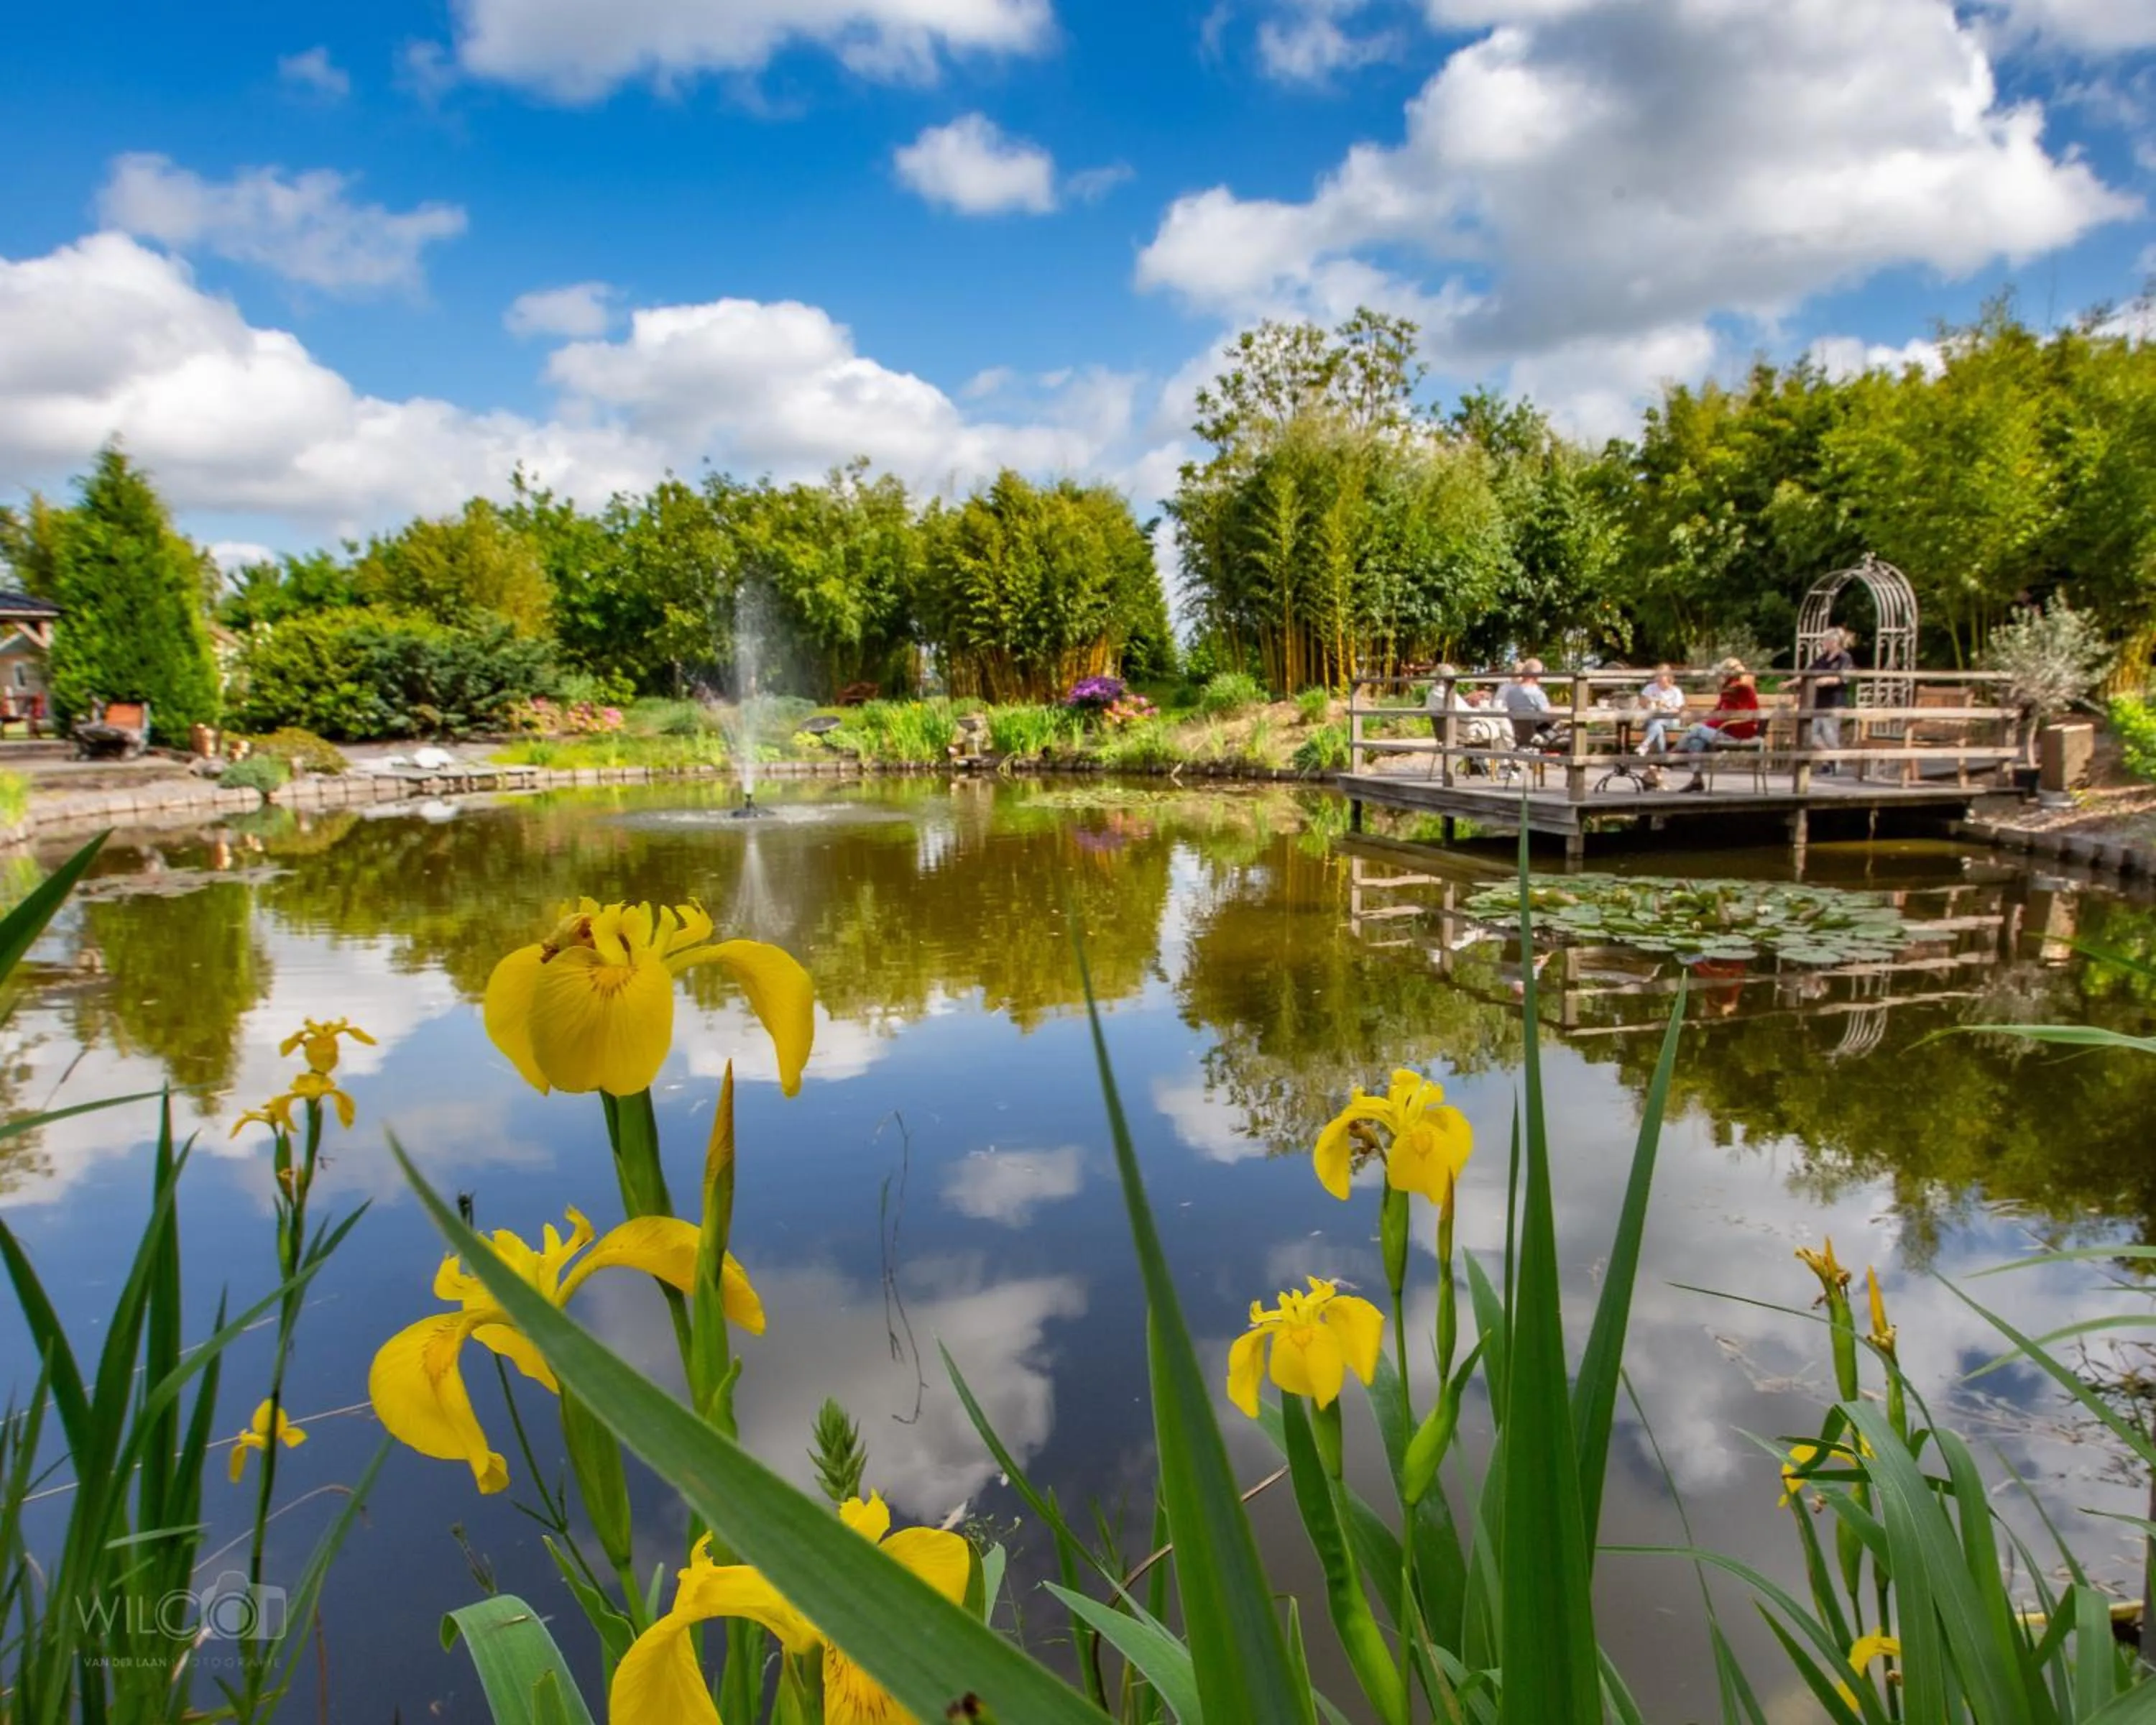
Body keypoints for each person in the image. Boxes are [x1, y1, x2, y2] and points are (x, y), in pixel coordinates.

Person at [1674, 659, 1761, 792]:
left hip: (1736, 734)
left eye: (1721, 674)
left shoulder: (1736, 689)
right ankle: (1697, 780)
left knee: (1694, 729)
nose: (1718, 678)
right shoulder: (1734, 688)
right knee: (1695, 741)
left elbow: (1724, 717)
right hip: (1730, 730)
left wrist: (1704, 725)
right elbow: (1717, 714)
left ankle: (1673, 755)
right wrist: (1705, 723)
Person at [1806, 627, 1856, 775]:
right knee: (1811, 734)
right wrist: (1791, 683)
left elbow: (1843, 678)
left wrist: (1826, 680)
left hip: (1834, 701)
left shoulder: (1844, 658)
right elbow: (1808, 674)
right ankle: (1832, 758)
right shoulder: (1823, 658)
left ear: (1834, 642)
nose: (1823, 643)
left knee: (1830, 735)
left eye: (1825, 640)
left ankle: (1830, 765)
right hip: (1819, 701)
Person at [1498, 658, 1554, 748]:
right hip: (1538, 735)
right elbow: (1549, 714)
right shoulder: (1537, 693)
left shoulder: (1510, 693)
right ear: (1538, 675)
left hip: (1519, 736)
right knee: (1566, 730)